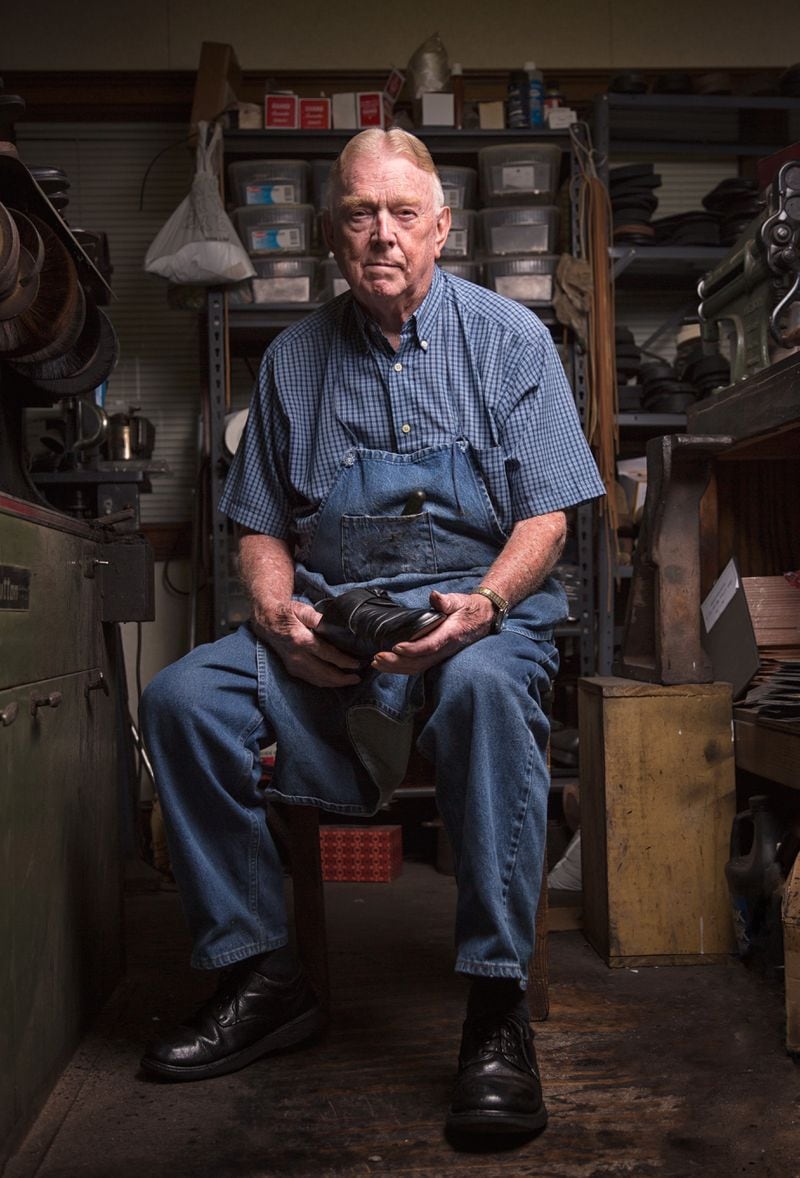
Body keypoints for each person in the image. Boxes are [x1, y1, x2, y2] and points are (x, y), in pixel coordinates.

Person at [139, 127, 604, 1137]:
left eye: (402, 213)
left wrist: (481, 604)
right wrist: (274, 608)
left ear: (444, 229)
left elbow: (546, 518)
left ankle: (494, 1004)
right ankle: (263, 973)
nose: (380, 234)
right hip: (332, 618)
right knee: (179, 699)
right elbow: (258, 524)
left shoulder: (511, 339)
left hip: (478, 613)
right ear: (327, 233)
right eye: (358, 213)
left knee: (483, 690)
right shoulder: (294, 360)